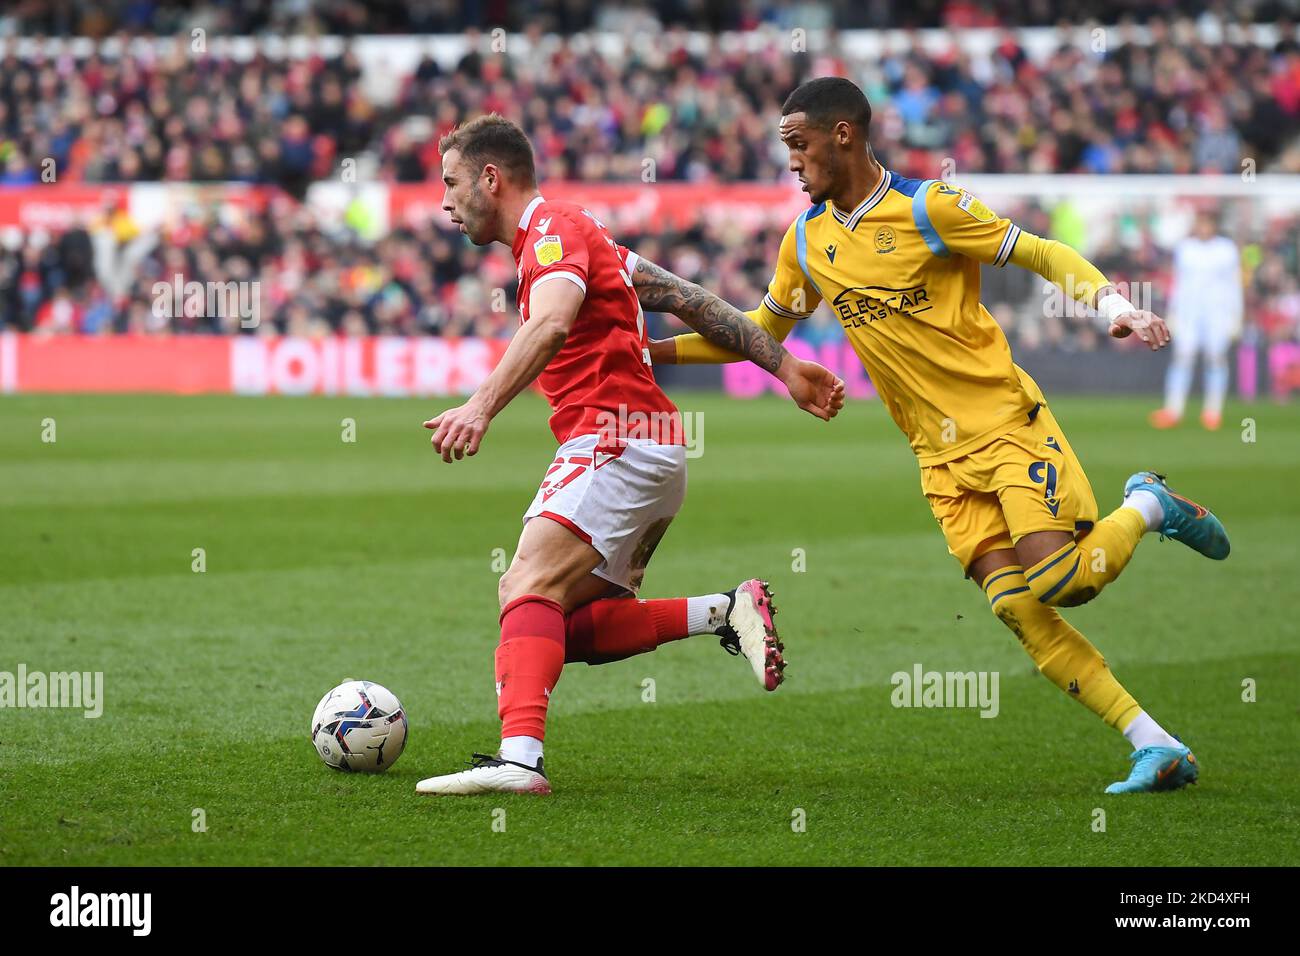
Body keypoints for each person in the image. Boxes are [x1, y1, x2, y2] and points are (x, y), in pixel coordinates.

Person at [652, 77, 1231, 794]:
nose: (792, 163)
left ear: (845, 136)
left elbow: (1043, 253)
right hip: (938, 460)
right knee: (1019, 609)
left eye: (800, 146)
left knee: (1061, 583)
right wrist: (647, 351)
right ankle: (1157, 744)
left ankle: (1147, 505)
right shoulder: (806, 241)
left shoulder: (930, 208)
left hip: (1004, 426)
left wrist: (1113, 303)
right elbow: (755, 334)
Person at [416, 114, 845, 796]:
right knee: (566, 625)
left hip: (615, 439)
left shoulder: (552, 232)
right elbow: (693, 301)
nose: (444, 201)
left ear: (490, 179)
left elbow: (552, 321)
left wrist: (480, 406)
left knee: (523, 586)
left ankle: (519, 761)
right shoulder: (586, 235)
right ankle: (726, 609)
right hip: (651, 448)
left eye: (451, 182)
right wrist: (785, 366)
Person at [1150, 209, 1244, 431]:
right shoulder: (1186, 249)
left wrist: (1236, 316)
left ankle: (1213, 411)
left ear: (1214, 225)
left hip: (1217, 312)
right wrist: (1172, 312)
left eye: (1207, 223)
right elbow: (1179, 283)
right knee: (1183, 357)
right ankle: (1173, 410)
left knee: (1216, 358)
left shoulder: (1226, 249)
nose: (1203, 228)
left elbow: (1234, 285)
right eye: (1200, 223)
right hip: (1188, 313)